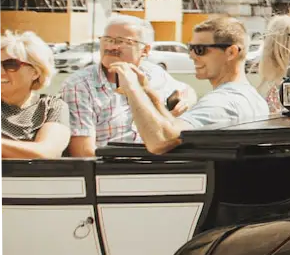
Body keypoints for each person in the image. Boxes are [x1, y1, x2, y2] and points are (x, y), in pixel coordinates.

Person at [117, 16, 270, 155]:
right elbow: (174, 129)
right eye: (190, 48)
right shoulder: (253, 98)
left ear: (231, 52)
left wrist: (132, 89)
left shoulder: (222, 102)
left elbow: (161, 140)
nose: (191, 56)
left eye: (200, 50)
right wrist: (148, 93)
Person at [62, 14, 198, 156]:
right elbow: (83, 153)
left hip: (160, 163)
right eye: (107, 40)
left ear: (144, 50)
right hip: (112, 169)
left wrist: (186, 100)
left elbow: (187, 90)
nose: (111, 46)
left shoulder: (154, 73)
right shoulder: (79, 85)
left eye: (121, 41)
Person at [0, 31, 72, 159]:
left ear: (35, 72)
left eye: (10, 65)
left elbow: (47, 153)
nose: (0, 71)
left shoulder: (50, 107)